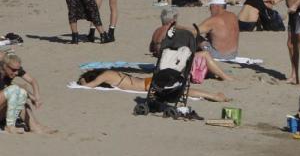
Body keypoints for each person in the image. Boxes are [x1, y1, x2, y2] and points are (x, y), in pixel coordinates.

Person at [76, 68, 229, 101]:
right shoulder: (110, 74)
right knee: (181, 90)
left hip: (148, 84)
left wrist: (83, 82)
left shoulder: (106, 75)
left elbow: (91, 85)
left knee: (182, 92)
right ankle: (212, 95)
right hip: (148, 82)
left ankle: (212, 95)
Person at [0, 54, 47, 133]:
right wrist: (30, 96)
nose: (16, 73)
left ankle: (34, 126)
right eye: (13, 70)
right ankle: (10, 126)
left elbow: (32, 81)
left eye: (18, 70)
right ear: (5, 66)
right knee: (15, 90)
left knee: (21, 93)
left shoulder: (12, 70)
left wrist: (36, 97)